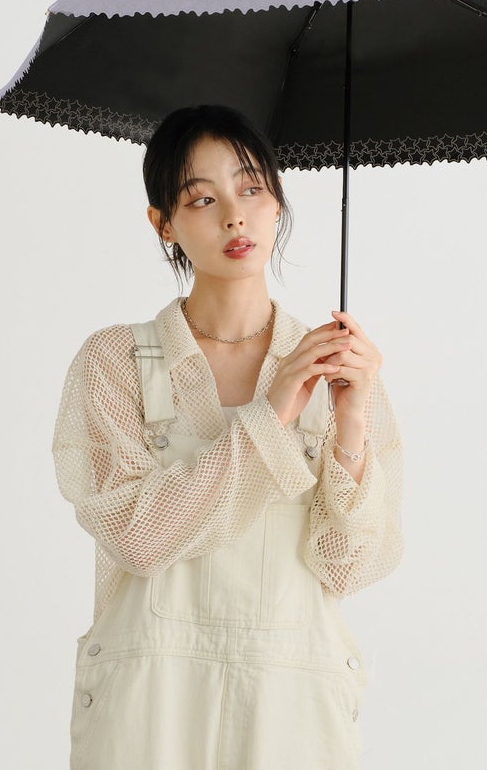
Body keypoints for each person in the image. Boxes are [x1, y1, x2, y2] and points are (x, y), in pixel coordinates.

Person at [51, 104, 404, 770]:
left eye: (251, 189)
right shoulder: (115, 361)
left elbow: (347, 567)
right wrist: (270, 415)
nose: (235, 217)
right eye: (203, 199)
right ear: (163, 223)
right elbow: (139, 539)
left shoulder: (337, 367)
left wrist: (352, 424)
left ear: (278, 201)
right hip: (149, 699)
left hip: (291, 703)